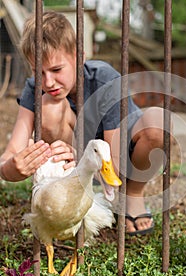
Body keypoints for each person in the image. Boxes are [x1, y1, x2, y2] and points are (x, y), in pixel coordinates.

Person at [0, 11, 165, 236]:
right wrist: (11, 168)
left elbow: (114, 163)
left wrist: (82, 157)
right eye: (38, 71)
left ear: (79, 57)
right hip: (81, 162)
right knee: (47, 104)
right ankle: (75, 192)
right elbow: (10, 153)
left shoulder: (104, 78)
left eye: (57, 70)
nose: (48, 82)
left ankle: (133, 196)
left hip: (120, 152)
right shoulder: (35, 88)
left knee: (158, 121)